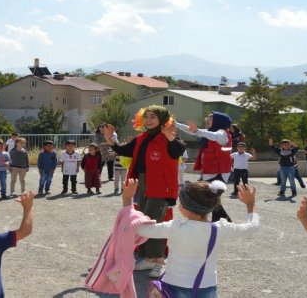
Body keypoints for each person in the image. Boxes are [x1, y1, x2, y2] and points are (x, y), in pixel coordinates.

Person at [125, 178, 259, 296]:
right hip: (206, 287)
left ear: (184, 207)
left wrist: (127, 201)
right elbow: (252, 227)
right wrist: (250, 205)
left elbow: (140, 229)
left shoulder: (174, 227)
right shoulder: (220, 229)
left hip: (174, 284)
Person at [106, 105, 185, 278]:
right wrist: (110, 140)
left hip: (161, 186)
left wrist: (171, 138)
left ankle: (158, 261)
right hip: (141, 183)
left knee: (153, 223)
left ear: (163, 121)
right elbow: (125, 150)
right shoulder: (142, 137)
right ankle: (147, 258)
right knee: (142, 221)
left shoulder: (169, 138)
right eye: (147, 116)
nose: (149, 120)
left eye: (153, 117)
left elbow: (178, 150)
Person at [176, 112, 233, 223]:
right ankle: (221, 219)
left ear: (218, 121)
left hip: (218, 172)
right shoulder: (211, 132)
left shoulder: (222, 133)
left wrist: (197, 131)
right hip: (210, 170)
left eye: (211, 118)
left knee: (208, 196)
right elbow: (193, 131)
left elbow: (213, 136)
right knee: (212, 197)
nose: (207, 119)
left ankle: (219, 219)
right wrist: (176, 124)